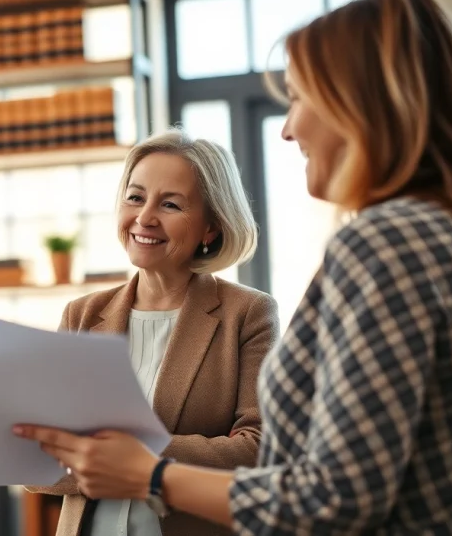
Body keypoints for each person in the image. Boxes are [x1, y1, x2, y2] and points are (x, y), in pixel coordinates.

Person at [16, 0, 452, 534]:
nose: (287, 128)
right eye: (135, 196)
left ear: (360, 106)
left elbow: (329, 494)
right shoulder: (445, 233)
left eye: (299, 98)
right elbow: (36, 459)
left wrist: (149, 472)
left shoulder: (385, 244)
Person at [25, 129, 280, 536]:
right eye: (135, 197)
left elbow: (260, 451)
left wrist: (136, 456)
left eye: (171, 204)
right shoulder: (82, 314)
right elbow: (34, 461)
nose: (145, 218)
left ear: (210, 228)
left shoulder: (247, 314)